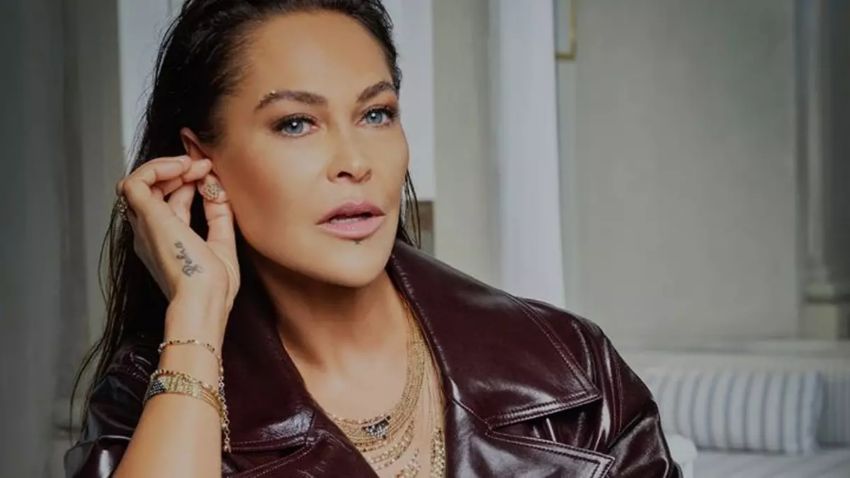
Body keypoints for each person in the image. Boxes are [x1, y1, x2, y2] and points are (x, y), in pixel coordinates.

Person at [65, 1, 682, 477]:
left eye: (376, 114)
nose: (355, 161)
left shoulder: (570, 369)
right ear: (203, 162)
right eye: (296, 123)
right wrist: (198, 313)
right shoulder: (152, 390)